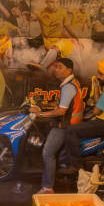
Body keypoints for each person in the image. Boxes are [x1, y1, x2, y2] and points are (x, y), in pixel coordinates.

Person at [64, 60, 104, 172]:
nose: (98, 76)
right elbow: (99, 102)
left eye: (101, 74)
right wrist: (97, 87)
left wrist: (90, 114)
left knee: (70, 130)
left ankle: (76, 166)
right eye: (98, 73)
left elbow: (97, 111)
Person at [31, 58, 84, 194]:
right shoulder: (72, 83)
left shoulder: (68, 87)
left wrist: (40, 114)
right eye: (56, 67)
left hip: (63, 126)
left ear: (69, 70)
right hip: (69, 125)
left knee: (47, 153)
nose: (56, 70)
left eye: (60, 67)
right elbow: (63, 106)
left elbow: (62, 111)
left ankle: (48, 187)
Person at [29, 0, 81, 71]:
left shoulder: (62, 12)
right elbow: (34, 16)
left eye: (57, 2)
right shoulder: (40, 12)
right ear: (46, 2)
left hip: (63, 42)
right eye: (52, 2)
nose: (55, 5)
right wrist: (30, 16)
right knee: (47, 52)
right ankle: (41, 67)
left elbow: (68, 27)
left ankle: (42, 66)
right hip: (49, 44)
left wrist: (77, 39)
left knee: (78, 64)